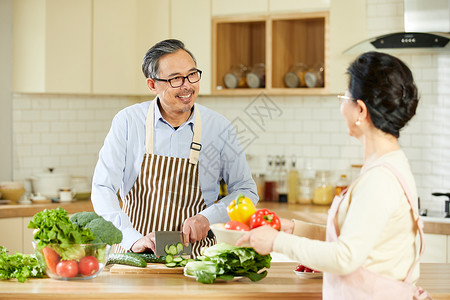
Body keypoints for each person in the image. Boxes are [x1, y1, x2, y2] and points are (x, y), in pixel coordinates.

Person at [237, 52, 430, 299]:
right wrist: (291, 228)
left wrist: (277, 242)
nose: (342, 107)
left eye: (345, 98)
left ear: (360, 110)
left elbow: (345, 257)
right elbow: (355, 238)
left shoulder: (379, 180)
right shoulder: (387, 165)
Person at [91, 39, 258, 255]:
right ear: (152, 85)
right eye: (175, 79)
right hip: (134, 254)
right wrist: (132, 239)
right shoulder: (128, 122)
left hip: (197, 259)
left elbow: (246, 191)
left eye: (192, 75)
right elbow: (102, 188)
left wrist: (208, 218)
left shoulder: (219, 127)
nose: (187, 85)